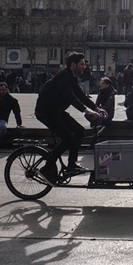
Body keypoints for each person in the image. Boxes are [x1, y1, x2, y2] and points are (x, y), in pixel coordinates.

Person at [34, 53, 101, 182]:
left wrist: (96, 108)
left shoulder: (72, 77)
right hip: (46, 112)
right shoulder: (63, 76)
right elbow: (70, 96)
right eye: (82, 64)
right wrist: (86, 111)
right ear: (73, 64)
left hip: (57, 111)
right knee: (68, 138)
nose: (84, 67)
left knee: (80, 131)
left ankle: (71, 165)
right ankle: (47, 168)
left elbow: (80, 95)